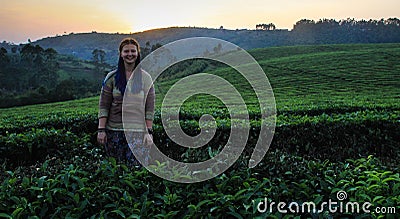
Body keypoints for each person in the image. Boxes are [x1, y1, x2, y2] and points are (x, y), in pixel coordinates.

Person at [97, 37, 155, 167]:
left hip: (138, 132)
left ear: (138, 53)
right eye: (126, 51)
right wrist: (101, 130)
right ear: (121, 54)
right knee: (116, 169)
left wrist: (149, 132)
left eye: (133, 51)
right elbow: (104, 105)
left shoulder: (145, 78)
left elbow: (149, 108)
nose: (130, 54)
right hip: (114, 131)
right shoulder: (111, 78)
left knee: (136, 169)